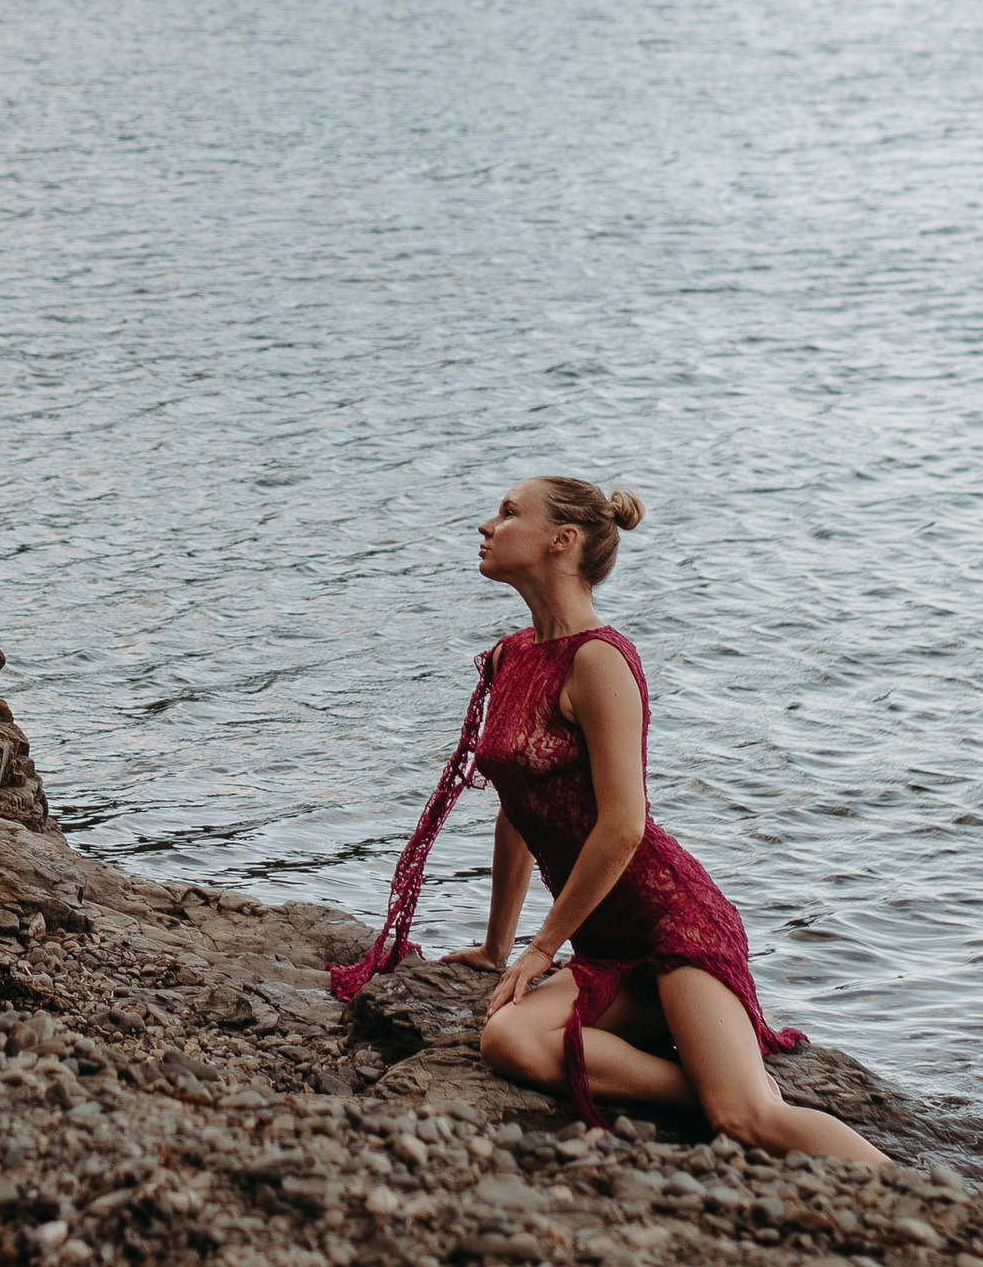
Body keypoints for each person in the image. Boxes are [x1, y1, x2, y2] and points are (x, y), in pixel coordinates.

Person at [330, 474, 885, 1160]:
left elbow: (624, 825)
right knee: (508, 1040)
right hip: (607, 951)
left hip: (672, 927)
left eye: (508, 512)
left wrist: (542, 947)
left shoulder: (600, 661)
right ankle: (697, 1087)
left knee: (744, 1120)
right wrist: (499, 947)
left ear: (561, 540)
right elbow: (520, 805)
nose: (487, 525)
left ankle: (912, 1193)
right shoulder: (510, 656)